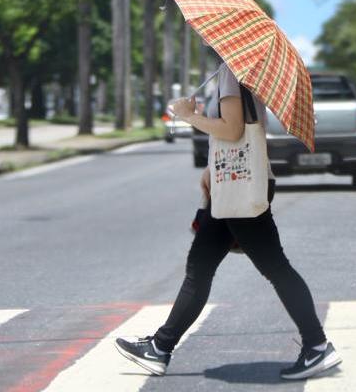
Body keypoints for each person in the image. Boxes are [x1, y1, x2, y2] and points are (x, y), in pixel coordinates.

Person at [114, 63, 341, 380]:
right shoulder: (239, 71)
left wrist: (188, 116)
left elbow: (233, 129)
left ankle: (317, 346)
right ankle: (160, 347)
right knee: (200, 268)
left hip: (239, 189)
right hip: (231, 183)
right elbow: (239, 131)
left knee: (275, 267)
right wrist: (212, 170)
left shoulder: (231, 73)